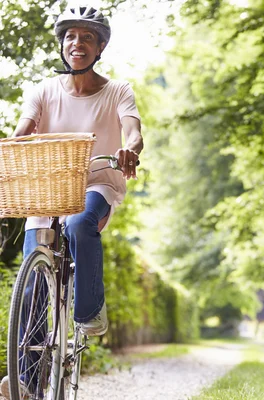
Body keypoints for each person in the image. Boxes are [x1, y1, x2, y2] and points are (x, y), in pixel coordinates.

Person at [0, 5, 143, 398]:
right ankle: (25, 383)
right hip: (48, 189)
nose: (76, 43)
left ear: (99, 48)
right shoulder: (43, 90)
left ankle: (89, 310)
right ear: (62, 45)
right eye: (70, 36)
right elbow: (23, 131)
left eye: (87, 37)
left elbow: (133, 131)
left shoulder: (117, 90)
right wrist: (10, 149)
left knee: (80, 223)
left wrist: (130, 149)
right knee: (31, 291)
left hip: (97, 183)